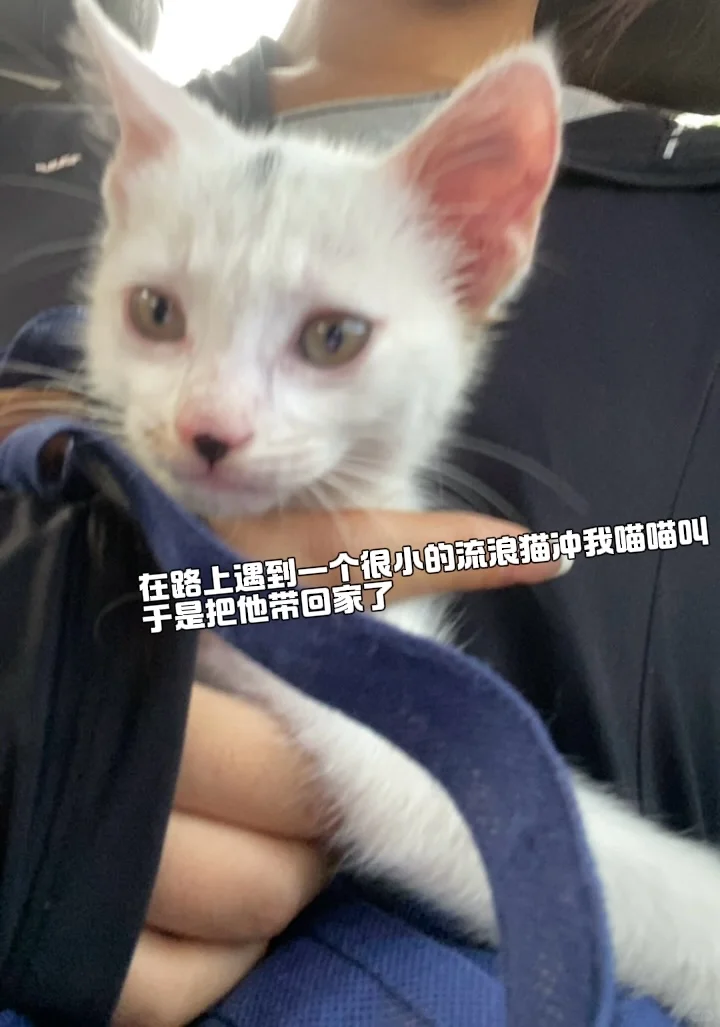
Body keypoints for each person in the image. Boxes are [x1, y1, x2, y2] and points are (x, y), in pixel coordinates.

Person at [4, 0, 720, 1023]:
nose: (212, 420)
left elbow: (421, 790)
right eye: (158, 314)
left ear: (480, 245)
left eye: (329, 338)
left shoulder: (695, 233)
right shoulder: (22, 142)